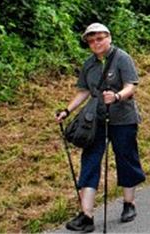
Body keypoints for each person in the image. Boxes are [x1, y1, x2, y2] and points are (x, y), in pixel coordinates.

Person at [56, 23, 145, 233]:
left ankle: (129, 203)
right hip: (95, 119)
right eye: (91, 40)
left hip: (123, 118)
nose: (96, 43)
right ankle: (86, 215)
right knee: (90, 160)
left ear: (109, 38)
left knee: (126, 158)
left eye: (99, 38)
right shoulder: (89, 64)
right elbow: (84, 91)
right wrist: (67, 111)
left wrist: (116, 96)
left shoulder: (122, 58)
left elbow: (131, 86)